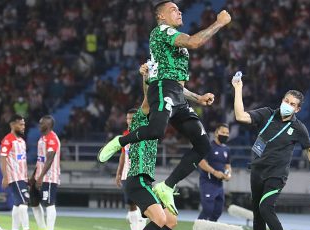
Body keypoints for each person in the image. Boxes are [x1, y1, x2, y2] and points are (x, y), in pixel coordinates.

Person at [98, 0, 231, 216]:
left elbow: (178, 84)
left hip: (176, 94)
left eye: (179, 9)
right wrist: (219, 23)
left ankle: (167, 186)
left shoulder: (173, 43)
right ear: (161, 16)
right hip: (162, 89)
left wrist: (198, 97)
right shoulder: (161, 31)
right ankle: (119, 142)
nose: (179, 12)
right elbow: (195, 43)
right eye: (173, 10)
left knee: (203, 145)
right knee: (157, 130)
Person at [231, 77, 310, 230]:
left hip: (276, 174)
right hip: (257, 171)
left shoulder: (298, 127)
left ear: (298, 109)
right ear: (282, 100)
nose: (288, 105)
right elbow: (240, 116)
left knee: (266, 208)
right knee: (258, 214)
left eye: (292, 104)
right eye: (286, 101)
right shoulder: (266, 114)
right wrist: (238, 88)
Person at [126, 63, 177, 230]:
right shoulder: (140, 123)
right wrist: (146, 78)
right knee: (160, 219)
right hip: (137, 180)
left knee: (170, 221)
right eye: (128, 119)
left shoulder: (155, 126)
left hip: (146, 181)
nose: (131, 121)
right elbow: (147, 99)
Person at [192, 123, 232, 230]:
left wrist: (228, 175)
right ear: (216, 133)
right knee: (207, 209)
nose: (225, 135)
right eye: (222, 132)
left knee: (217, 211)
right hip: (207, 182)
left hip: (219, 185)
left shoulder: (226, 149)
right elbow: (201, 162)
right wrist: (215, 172)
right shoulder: (208, 145)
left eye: (227, 133)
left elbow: (228, 165)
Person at [0, 114, 37, 230]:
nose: (23, 127)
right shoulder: (7, 140)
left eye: (24, 124)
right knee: (24, 202)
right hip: (14, 177)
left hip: (22, 176)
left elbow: (22, 160)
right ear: (12, 125)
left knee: (17, 204)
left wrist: (26, 176)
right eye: (20, 124)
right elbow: (3, 158)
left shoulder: (21, 141)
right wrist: (5, 176)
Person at [115, 108, 146, 230]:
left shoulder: (144, 134)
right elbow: (123, 155)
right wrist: (118, 173)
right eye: (128, 118)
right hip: (127, 174)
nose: (129, 121)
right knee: (131, 204)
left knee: (142, 204)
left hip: (141, 173)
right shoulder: (125, 134)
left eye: (132, 118)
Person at [29, 115, 61, 230]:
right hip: (39, 176)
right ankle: (41, 229)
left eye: (42, 123)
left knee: (49, 203)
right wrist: (34, 176)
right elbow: (40, 160)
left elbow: (50, 159)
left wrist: (41, 177)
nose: (39, 125)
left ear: (48, 125)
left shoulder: (52, 138)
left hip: (49, 177)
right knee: (34, 202)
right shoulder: (42, 138)